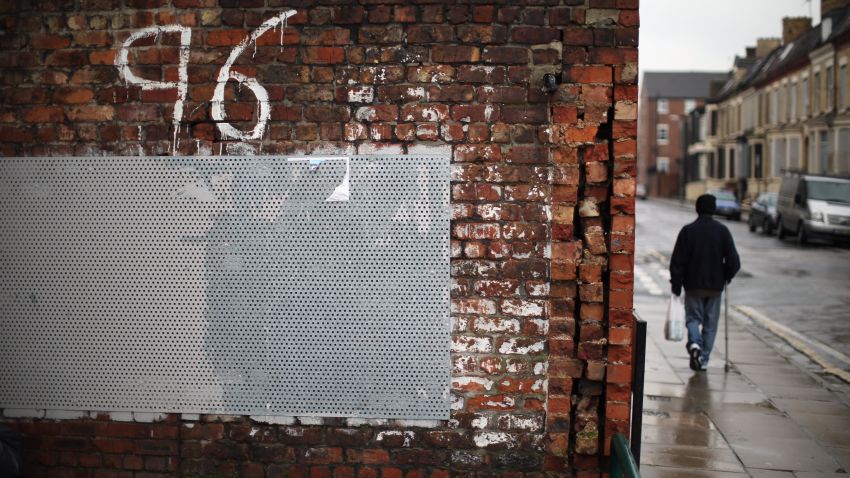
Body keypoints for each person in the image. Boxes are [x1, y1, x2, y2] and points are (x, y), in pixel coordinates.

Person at [670, 194, 741, 371]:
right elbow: (734, 261)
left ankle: (694, 344)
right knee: (710, 324)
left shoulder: (687, 231)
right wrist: (727, 276)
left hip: (693, 285)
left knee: (693, 318)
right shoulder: (722, 231)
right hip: (715, 287)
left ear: (697, 208)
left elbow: (677, 262)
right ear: (714, 209)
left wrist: (676, 286)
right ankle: (703, 358)